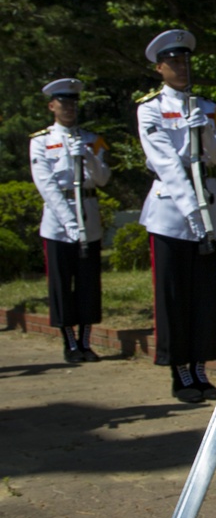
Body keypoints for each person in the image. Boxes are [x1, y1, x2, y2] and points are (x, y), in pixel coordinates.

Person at [137, 28, 216, 404]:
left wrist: (207, 132)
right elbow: (167, 166)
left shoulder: (209, 107)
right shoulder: (151, 109)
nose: (181, 66)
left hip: (209, 206)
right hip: (172, 214)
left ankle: (202, 371)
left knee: (205, 296)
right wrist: (195, 215)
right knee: (175, 296)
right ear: (160, 68)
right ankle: (180, 373)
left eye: (185, 60)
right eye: (173, 61)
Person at [29, 78, 111, 365]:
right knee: (62, 284)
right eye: (63, 103)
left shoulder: (90, 139)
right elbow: (46, 186)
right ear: (52, 106)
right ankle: (69, 342)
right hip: (57, 222)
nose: (69, 108)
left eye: (73, 103)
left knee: (88, 283)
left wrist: (88, 157)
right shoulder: (41, 141)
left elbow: (103, 179)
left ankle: (86, 341)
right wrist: (69, 224)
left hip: (88, 214)